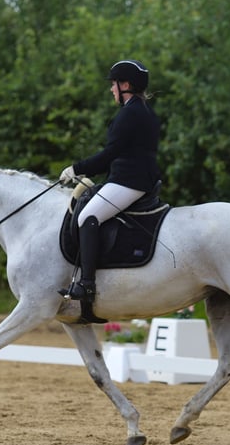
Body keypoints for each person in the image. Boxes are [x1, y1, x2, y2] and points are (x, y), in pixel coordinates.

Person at [58, 59, 162, 302]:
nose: (111, 89)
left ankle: (87, 285)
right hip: (131, 178)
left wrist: (77, 168)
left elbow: (109, 154)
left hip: (129, 182)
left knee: (87, 217)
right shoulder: (144, 111)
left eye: (114, 84)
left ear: (125, 84)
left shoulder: (130, 114)